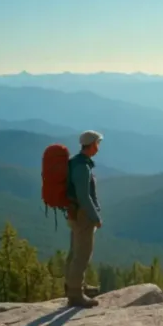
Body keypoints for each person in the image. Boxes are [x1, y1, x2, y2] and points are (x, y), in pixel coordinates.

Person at [64, 130, 104, 307]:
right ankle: (75, 295)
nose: (99, 146)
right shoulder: (82, 167)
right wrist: (95, 217)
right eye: (98, 143)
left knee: (75, 252)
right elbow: (83, 196)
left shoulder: (77, 162)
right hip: (82, 215)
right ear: (92, 144)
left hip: (75, 213)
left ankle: (76, 286)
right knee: (82, 254)